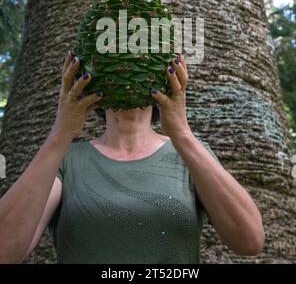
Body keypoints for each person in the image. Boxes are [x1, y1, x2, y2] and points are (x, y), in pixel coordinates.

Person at [0, 51, 265, 264]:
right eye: (116, 62)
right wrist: (61, 132)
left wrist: (182, 134)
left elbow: (250, 240)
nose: (127, 70)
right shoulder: (66, 160)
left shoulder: (191, 155)